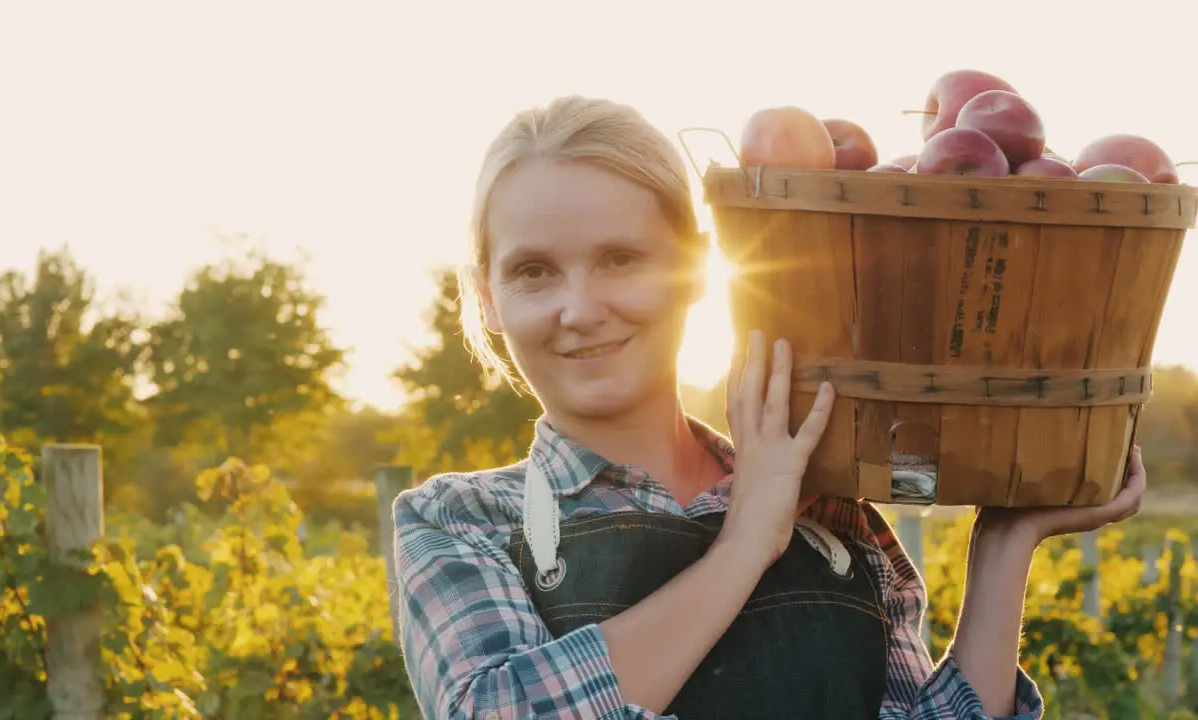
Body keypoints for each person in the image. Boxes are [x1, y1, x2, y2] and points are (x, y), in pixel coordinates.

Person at [390, 95, 1146, 720]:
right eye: (533, 271)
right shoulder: (462, 523)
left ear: (693, 270)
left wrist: (1004, 548)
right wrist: (746, 540)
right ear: (489, 300)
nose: (579, 308)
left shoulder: (834, 524)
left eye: (621, 258)